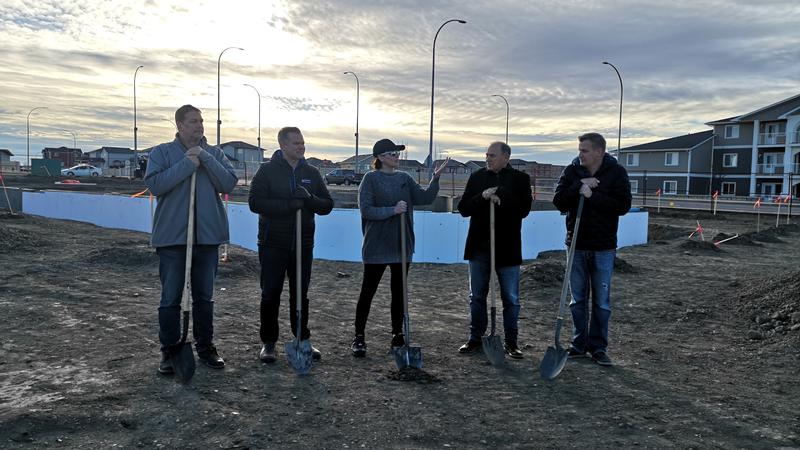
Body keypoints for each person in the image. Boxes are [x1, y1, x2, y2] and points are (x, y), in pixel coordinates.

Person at [145, 104, 238, 374]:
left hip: (207, 238)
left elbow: (228, 184)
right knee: (171, 298)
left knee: (204, 297)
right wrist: (188, 164)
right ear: (180, 125)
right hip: (172, 238)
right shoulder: (162, 152)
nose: (199, 126)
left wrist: (205, 158)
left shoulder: (215, 153)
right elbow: (155, 185)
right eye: (193, 121)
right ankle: (169, 350)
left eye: (201, 121)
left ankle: (205, 347)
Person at [350, 139, 447, 357]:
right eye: (392, 154)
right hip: (376, 245)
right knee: (368, 291)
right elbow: (366, 210)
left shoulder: (404, 178)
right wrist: (392, 210)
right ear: (380, 157)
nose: (396, 157)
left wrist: (436, 178)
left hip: (402, 245)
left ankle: (397, 334)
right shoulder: (370, 179)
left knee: (399, 292)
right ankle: (359, 336)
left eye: (397, 153)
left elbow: (424, 198)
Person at [248, 127, 333, 363]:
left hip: (303, 244)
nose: (301, 147)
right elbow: (255, 203)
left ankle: (302, 338)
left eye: (302, 142)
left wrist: (309, 199)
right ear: (283, 145)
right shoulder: (267, 171)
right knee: (270, 293)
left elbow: (327, 205)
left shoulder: (311, 172)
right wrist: (288, 205)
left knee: (300, 293)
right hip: (273, 243)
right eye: (296, 143)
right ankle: (269, 342)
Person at [552, 132, 631, 366]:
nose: (580, 154)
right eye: (579, 150)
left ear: (599, 151)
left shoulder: (616, 173)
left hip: (603, 247)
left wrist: (592, 196)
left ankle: (598, 348)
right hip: (576, 244)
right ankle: (578, 345)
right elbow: (559, 201)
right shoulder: (572, 171)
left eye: (584, 150)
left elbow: (622, 206)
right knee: (577, 300)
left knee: (601, 302)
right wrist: (579, 186)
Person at [457, 142, 532, 359]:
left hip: (507, 248)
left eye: (492, 155)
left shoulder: (520, 179)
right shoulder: (477, 177)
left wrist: (501, 195)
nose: (487, 159)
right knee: (477, 296)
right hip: (479, 247)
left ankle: (511, 342)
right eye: (487, 155)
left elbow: (524, 209)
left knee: (511, 298)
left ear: (506, 157)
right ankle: (476, 338)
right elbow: (463, 209)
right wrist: (482, 196)